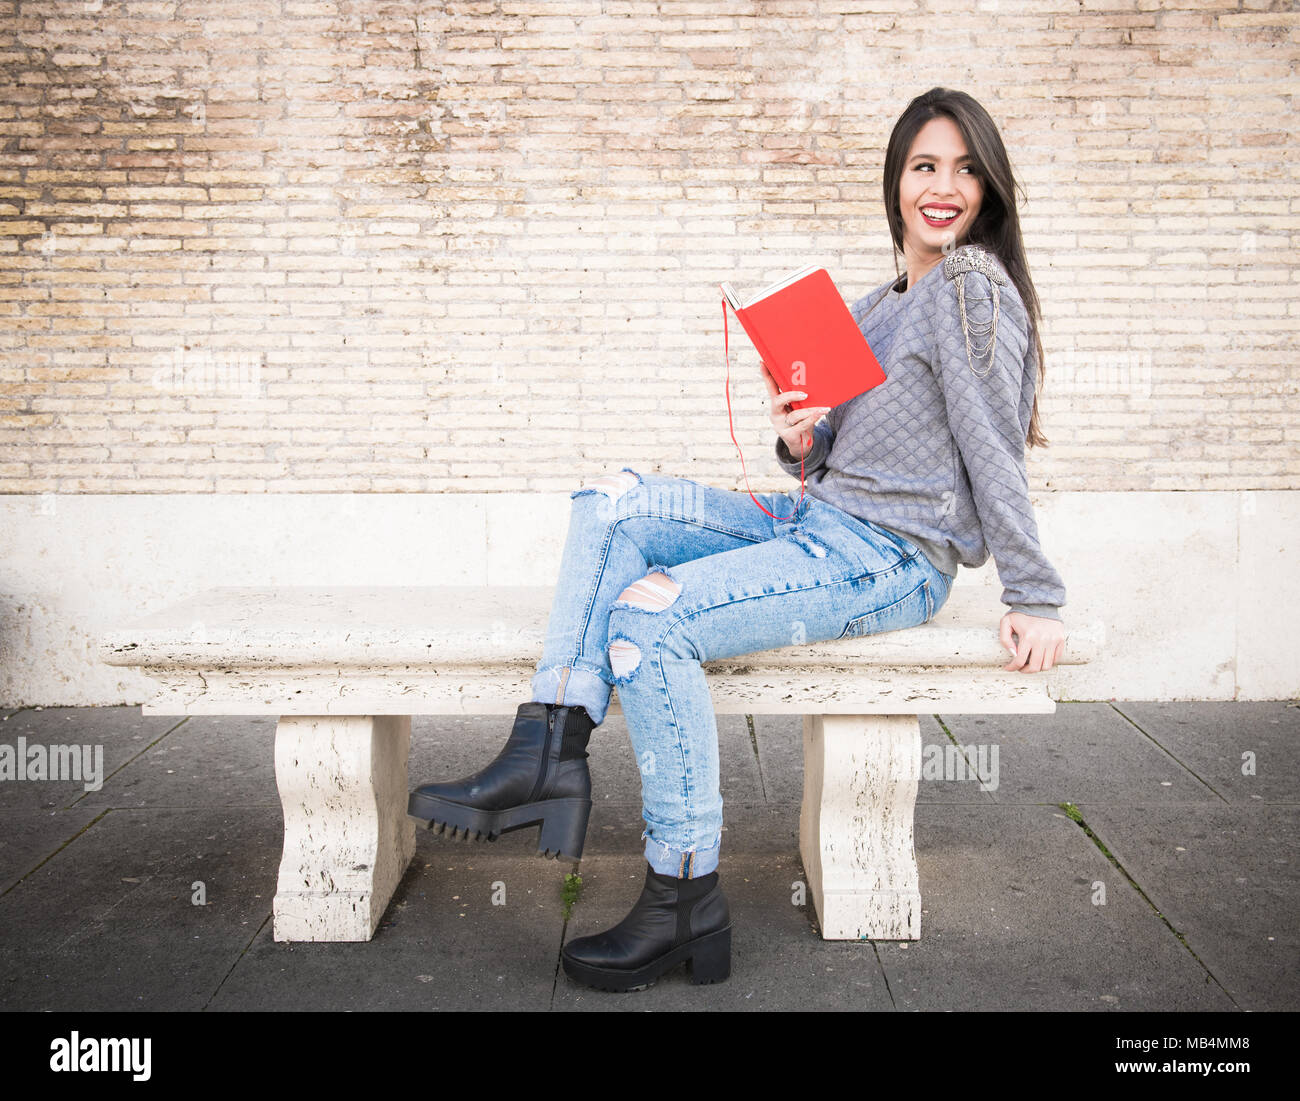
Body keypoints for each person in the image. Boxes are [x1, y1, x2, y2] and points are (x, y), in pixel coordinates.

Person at [408, 86, 1069, 993]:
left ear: (988, 187)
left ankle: (686, 900)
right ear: (898, 180)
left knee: (649, 622)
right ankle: (550, 745)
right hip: (818, 521)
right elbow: (845, 457)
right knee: (612, 502)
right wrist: (804, 436)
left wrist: (1034, 594)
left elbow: (993, 445)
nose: (943, 186)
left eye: (964, 168)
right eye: (924, 166)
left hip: (888, 558)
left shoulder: (971, 287)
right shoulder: (875, 305)